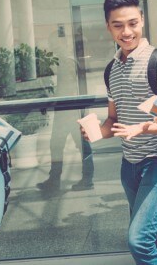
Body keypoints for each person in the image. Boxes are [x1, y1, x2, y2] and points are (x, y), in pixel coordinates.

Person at [81, 0, 157, 264]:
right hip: (130, 164)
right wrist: (97, 132)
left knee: (139, 240)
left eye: (133, 23)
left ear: (142, 19)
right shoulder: (111, 69)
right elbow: (114, 120)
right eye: (118, 25)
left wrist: (142, 128)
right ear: (108, 27)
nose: (127, 32)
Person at [37, 32, 94, 192]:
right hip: (66, 110)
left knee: (79, 145)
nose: (51, 45)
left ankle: (84, 179)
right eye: (50, 42)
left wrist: (53, 101)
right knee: (59, 145)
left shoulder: (67, 61)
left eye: (54, 42)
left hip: (69, 111)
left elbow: (68, 88)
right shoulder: (62, 61)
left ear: (62, 44)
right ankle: (55, 179)